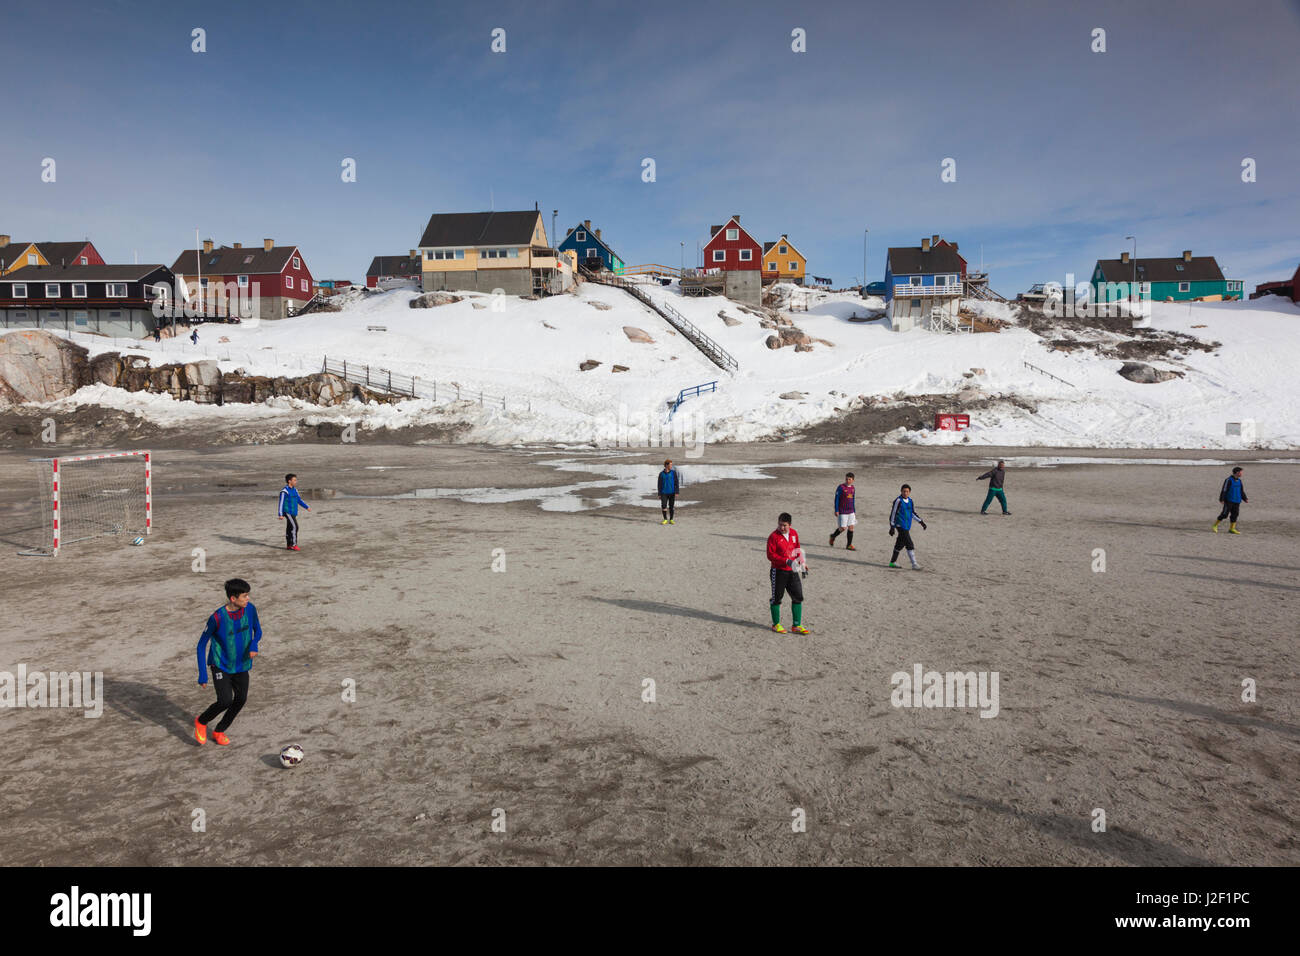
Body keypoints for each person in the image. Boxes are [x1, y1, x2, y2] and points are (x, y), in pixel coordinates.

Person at [195, 578, 261, 746]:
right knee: (225, 700)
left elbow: (258, 630)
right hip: (221, 664)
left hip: (241, 664)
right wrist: (203, 674)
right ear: (233, 598)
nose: (248, 599)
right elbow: (201, 645)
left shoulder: (250, 610)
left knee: (241, 699)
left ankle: (219, 731)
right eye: (245, 596)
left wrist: (254, 644)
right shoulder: (217, 618)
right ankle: (201, 721)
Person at [766, 512, 809, 634]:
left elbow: (797, 549)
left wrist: (802, 563)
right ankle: (776, 624)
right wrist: (785, 560)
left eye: (784, 525)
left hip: (792, 571)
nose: (781, 527)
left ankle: (796, 625)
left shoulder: (794, 533)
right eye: (780, 525)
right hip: (778, 571)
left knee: (798, 597)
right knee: (776, 598)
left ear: (790, 525)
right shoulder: (773, 537)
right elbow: (770, 555)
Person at [888, 484, 927, 569]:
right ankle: (914, 564)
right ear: (901, 491)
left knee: (899, 544)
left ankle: (892, 562)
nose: (905, 493)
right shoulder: (898, 501)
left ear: (909, 492)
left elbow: (912, 513)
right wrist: (892, 527)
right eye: (904, 491)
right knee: (910, 544)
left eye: (907, 491)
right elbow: (893, 514)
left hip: (907, 525)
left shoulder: (910, 501)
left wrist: (921, 522)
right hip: (900, 525)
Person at [278, 473, 310, 550]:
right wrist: (280, 514)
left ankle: (289, 545)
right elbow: (281, 503)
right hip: (287, 512)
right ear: (289, 481)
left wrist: (306, 507)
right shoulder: (284, 491)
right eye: (294, 480)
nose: (296, 481)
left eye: (296, 480)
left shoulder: (295, 490)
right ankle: (294, 544)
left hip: (294, 512)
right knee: (295, 526)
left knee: (290, 527)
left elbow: (299, 500)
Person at [1213, 466, 1248, 534]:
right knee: (1224, 514)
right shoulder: (1228, 480)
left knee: (1235, 514)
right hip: (1228, 500)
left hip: (1237, 501)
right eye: (1241, 472)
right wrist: (1222, 499)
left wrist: (1245, 498)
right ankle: (1215, 525)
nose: (1242, 473)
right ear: (1237, 472)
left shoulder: (1239, 481)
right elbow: (1224, 489)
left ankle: (1232, 529)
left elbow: (1241, 491)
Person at [829, 471, 857, 549]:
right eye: (846, 479)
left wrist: (854, 510)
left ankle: (849, 545)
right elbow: (837, 499)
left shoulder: (853, 488)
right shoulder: (841, 487)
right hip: (843, 511)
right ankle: (833, 536)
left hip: (851, 511)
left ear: (853, 480)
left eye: (849, 479)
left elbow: (853, 499)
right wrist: (836, 510)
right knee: (843, 528)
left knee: (851, 527)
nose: (847, 481)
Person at [657, 459, 682, 524]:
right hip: (663, 493)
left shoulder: (673, 472)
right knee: (664, 506)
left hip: (672, 492)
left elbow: (676, 482)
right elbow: (659, 484)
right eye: (670, 464)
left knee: (671, 506)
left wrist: (677, 492)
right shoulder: (661, 474)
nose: (671, 466)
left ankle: (671, 519)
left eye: (671, 464)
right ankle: (665, 519)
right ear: (666, 465)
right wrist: (659, 494)